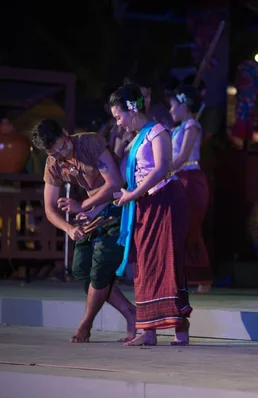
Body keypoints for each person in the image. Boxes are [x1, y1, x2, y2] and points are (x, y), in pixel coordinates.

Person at [32, 119, 136, 343]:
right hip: (92, 213)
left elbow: (115, 183)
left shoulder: (89, 142)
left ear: (65, 132)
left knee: (100, 269)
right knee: (81, 269)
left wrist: (83, 206)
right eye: (55, 152)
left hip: (119, 205)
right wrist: (69, 228)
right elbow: (49, 209)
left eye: (64, 146)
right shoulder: (53, 164)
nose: (62, 153)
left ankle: (85, 324)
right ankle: (130, 312)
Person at [110, 83, 192, 346]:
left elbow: (161, 169)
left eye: (118, 116)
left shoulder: (157, 131)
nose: (118, 123)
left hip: (165, 201)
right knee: (146, 264)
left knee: (167, 260)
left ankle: (181, 331)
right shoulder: (134, 138)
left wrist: (132, 195)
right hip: (146, 204)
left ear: (132, 109)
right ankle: (148, 331)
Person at [168, 85, 212, 294]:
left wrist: (162, 172)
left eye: (173, 106)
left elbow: (184, 155)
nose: (170, 110)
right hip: (179, 178)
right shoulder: (177, 128)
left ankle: (201, 277)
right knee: (179, 227)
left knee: (190, 226)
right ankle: (182, 277)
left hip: (191, 179)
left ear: (183, 105)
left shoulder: (192, 125)